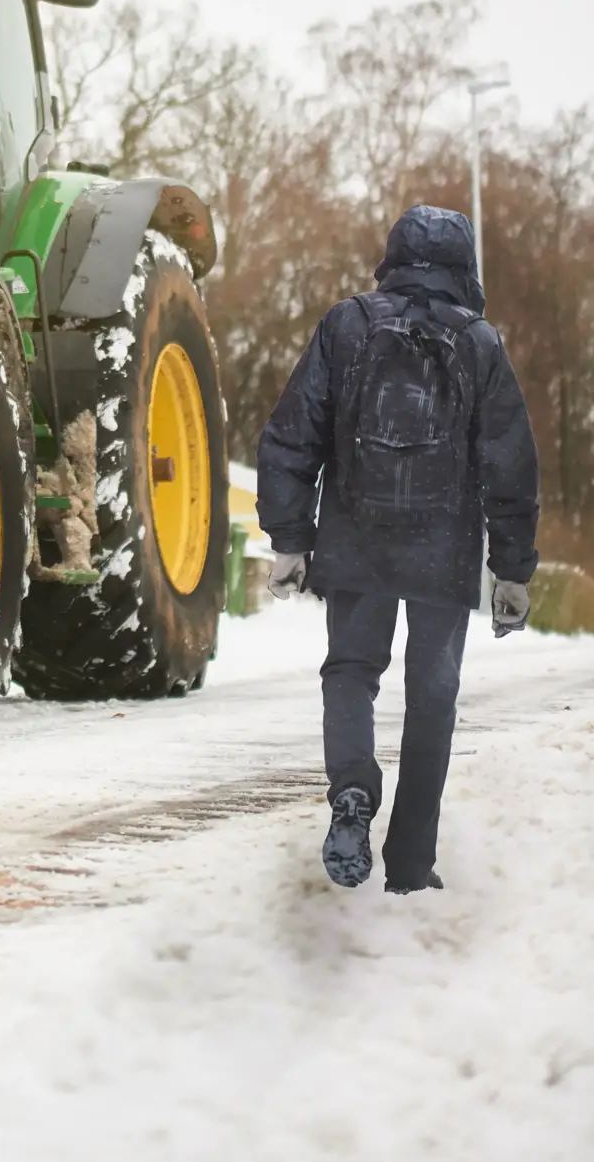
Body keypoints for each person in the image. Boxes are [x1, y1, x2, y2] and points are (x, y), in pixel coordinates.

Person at [256, 204, 539, 895]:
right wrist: (512, 569)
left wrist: (292, 539)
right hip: (444, 551)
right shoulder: (479, 343)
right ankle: (411, 865)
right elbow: (510, 465)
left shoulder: (347, 326)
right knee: (432, 697)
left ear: (393, 256)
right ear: (463, 269)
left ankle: (353, 790)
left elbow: (292, 437)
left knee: (351, 672)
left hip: (357, 539)